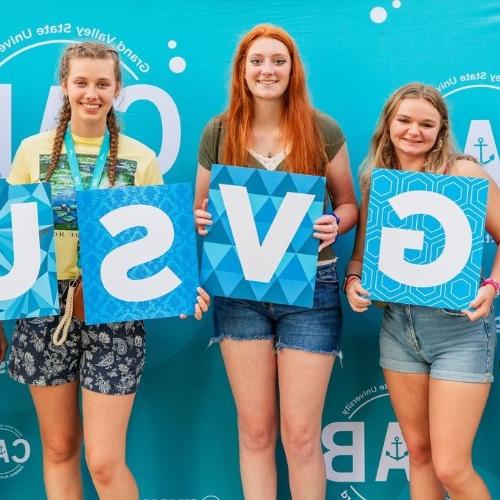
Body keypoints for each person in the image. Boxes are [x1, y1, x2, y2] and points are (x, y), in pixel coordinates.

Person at [5, 42, 208, 500]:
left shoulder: (140, 158)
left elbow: (163, 248)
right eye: (81, 82)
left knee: (103, 460)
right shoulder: (30, 153)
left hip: (115, 309)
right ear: (64, 87)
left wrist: (181, 289)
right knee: (58, 448)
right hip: (41, 307)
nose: (91, 93)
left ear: (118, 90)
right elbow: (10, 242)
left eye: (102, 83)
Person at [194, 24, 358, 499]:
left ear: (293, 69)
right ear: (242, 70)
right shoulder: (219, 131)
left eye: (278, 61)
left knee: (302, 436)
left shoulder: (322, 129)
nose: (268, 70)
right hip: (238, 292)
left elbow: (347, 203)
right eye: (258, 61)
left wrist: (337, 223)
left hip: (312, 288)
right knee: (255, 431)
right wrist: (203, 220)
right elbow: (201, 211)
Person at [345, 82, 498, 500]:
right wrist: (353, 283)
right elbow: (360, 258)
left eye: (426, 124)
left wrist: (493, 285)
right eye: (405, 120)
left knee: (451, 466)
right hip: (398, 328)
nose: (414, 131)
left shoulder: (462, 171)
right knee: (420, 454)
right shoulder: (377, 180)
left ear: (441, 129)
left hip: (458, 331)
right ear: (388, 125)